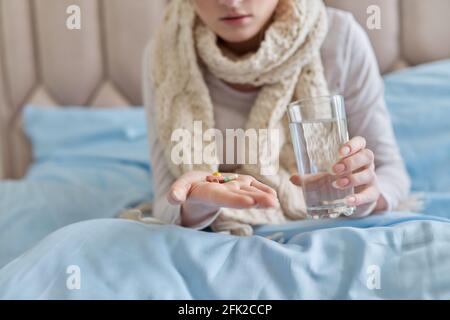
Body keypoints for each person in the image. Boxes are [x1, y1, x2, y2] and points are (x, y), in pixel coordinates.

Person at [143, 0, 410, 235]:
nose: (231, 2)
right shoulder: (164, 54)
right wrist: (198, 203)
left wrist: (363, 197)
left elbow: (391, 172)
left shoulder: (340, 38)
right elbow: (167, 199)